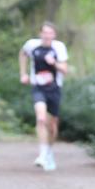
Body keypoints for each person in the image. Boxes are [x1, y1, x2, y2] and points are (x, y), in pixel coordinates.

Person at [19, 22, 69, 171]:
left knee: (52, 126)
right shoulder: (31, 45)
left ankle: (49, 152)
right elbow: (22, 54)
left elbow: (65, 70)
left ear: (54, 35)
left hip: (54, 89)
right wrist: (23, 73)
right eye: (45, 33)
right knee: (40, 118)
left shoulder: (59, 47)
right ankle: (42, 154)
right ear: (40, 33)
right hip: (38, 88)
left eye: (50, 33)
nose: (47, 36)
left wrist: (54, 63)